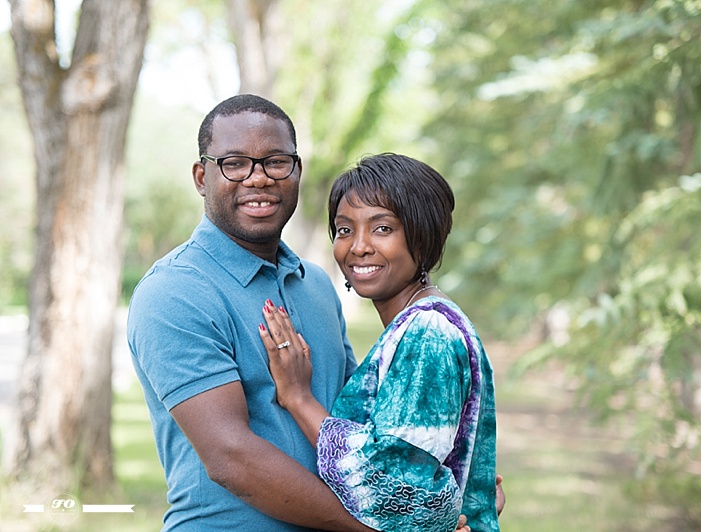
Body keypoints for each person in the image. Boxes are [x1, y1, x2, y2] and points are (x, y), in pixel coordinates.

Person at [127, 94, 377, 531]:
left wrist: (450, 490)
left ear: (296, 172)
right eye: (235, 164)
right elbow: (232, 459)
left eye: (276, 162)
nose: (258, 178)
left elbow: (358, 423)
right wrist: (376, 528)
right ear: (202, 177)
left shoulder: (317, 283)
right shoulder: (175, 291)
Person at [258, 153, 500, 531]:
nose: (358, 246)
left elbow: (394, 492)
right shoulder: (418, 324)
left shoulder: (428, 333)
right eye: (344, 230)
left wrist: (298, 398)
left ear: (422, 236)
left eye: (382, 228)